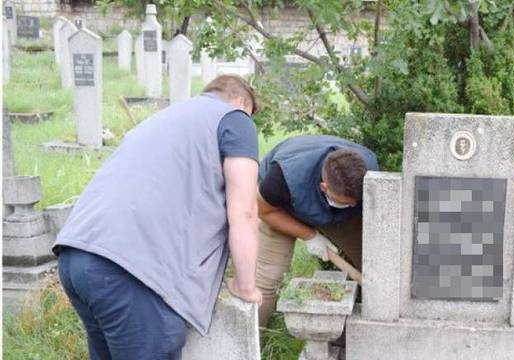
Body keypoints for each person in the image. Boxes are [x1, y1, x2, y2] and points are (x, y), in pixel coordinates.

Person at [53, 75, 262, 360]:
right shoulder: (234, 119)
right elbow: (245, 210)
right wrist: (245, 286)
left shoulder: (166, 117)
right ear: (240, 103)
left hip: (76, 255)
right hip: (128, 269)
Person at [256, 135, 378, 326]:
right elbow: (263, 209)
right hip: (279, 210)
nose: (353, 204)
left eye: (355, 202)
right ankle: (253, 342)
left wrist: (347, 205)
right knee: (266, 281)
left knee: (372, 266)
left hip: (339, 218)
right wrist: (309, 235)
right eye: (345, 201)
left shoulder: (369, 171)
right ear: (324, 187)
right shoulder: (280, 178)